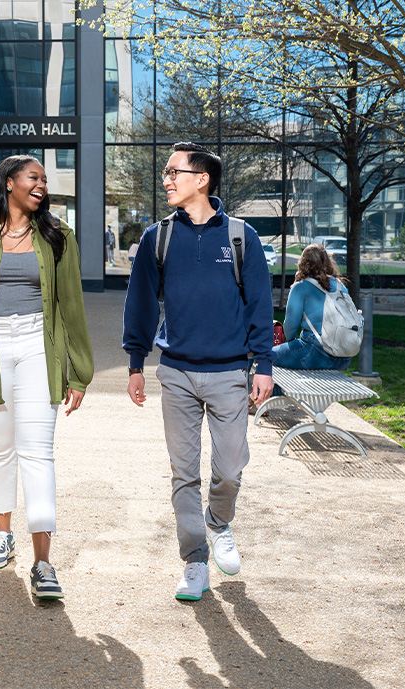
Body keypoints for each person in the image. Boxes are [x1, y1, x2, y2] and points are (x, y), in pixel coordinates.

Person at [122, 142, 274, 601]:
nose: (166, 179)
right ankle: (194, 562)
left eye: (174, 172)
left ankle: (219, 523)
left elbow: (259, 304)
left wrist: (262, 364)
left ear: (202, 179)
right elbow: (142, 303)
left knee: (228, 471)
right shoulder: (158, 237)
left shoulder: (242, 237)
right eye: (166, 172)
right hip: (178, 374)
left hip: (230, 373)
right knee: (183, 473)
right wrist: (134, 362)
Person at [0, 154, 94, 600]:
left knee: (39, 453)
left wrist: (79, 372)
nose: (42, 185)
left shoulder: (57, 235)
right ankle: (2, 533)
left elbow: (72, 305)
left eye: (45, 180)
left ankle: (43, 562)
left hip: (36, 347)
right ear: (8, 183)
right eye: (34, 177)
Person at [272, 243, 354, 372]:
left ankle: (271, 392)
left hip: (315, 353)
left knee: (264, 357)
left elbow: (290, 327)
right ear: (327, 262)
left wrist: (291, 345)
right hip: (344, 356)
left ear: (303, 263)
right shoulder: (340, 285)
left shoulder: (301, 287)